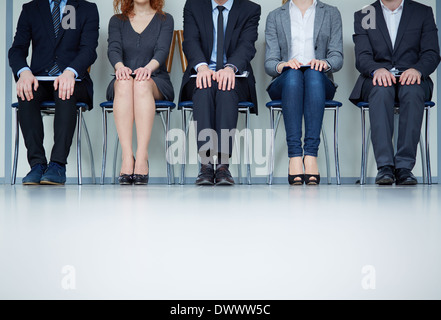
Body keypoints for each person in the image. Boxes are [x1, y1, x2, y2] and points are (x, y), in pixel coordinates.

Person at [8, 0, 99, 185]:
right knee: (26, 94)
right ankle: (37, 165)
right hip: (39, 79)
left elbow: (89, 50)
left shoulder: (86, 8)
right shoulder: (31, 9)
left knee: (64, 92)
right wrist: (24, 72)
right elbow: (17, 49)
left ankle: (57, 165)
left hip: (74, 80)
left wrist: (70, 71)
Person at [350, 0, 440, 185]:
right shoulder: (368, 14)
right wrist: (376, 70)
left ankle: (404, 168)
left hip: (413, 77)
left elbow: (431, 53)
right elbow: (363, 56)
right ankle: (385, 168)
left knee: (413, 91)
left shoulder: (421, 12)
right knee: (382, 91)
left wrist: (418, 70)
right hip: (376, 79)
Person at [180, 0, 261, 186]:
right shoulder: (194, 6)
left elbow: (247, 45)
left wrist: (230, 68)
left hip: (236, 76)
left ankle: (223, 165)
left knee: (226, 89)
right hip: (202, 74)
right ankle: (206, 165)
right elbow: (190, 41)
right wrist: (201, 67)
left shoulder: (250, 9)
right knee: (204, 90)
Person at [265, 0, 343, 185]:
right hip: (285, 83)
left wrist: (324, 63)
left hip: (319, 82)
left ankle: (310, 155)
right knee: (293, 75)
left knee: (313, 74)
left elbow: (337, 57)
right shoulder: (275, 16)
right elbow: (270, 63)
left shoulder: (331, 13)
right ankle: (294, 156)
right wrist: (283, 65)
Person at [107, 0, 174, 185]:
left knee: (142, 83)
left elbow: (162, 51)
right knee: (125, 83)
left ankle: (142, 156)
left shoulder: (165, 19)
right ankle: (127, 156)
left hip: (156, 80)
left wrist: (148, 69)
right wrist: (120, 67)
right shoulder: (117, 21)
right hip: (124, 79)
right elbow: (113, 49)